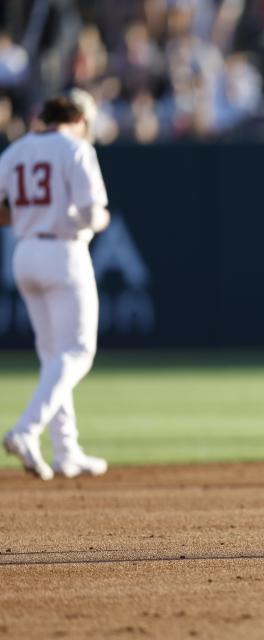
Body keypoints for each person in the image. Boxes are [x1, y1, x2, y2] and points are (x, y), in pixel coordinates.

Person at [0, 90, 111, 480]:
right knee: (78, 352)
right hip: (63, 253)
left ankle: (67, 450)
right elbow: (89, 211)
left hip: (25, 252)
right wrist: (101, 220)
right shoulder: (76, 149)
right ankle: (26, 430)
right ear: (80, 118)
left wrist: (31, 216)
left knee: (53, 356)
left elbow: (2, 210)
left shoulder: (15, 151)